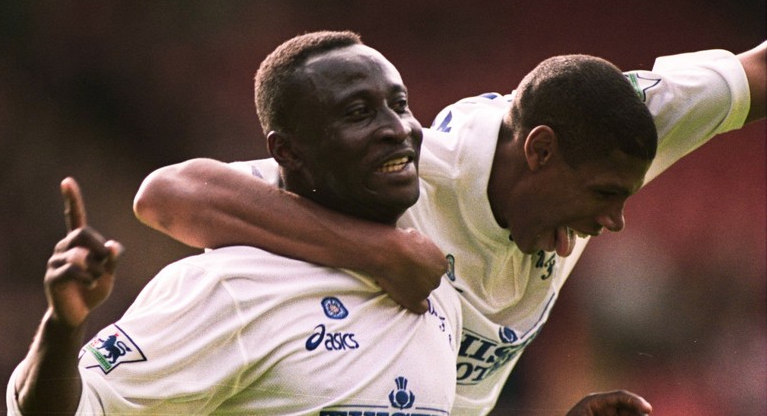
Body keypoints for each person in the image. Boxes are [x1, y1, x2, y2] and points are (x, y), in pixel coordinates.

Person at [134, 33, 766, 415]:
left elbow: (757, 73)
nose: (617, 221)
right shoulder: (401, 180)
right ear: (539, 152)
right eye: (604, 194)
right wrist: (378, 249)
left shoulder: (612, 126)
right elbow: (168, 193)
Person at [8, 31, 465, 415]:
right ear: (287, 152)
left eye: (400, 105)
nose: (398, 128)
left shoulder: (436, 286)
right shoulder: (228, 289)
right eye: (359, 113)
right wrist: (62, 326)